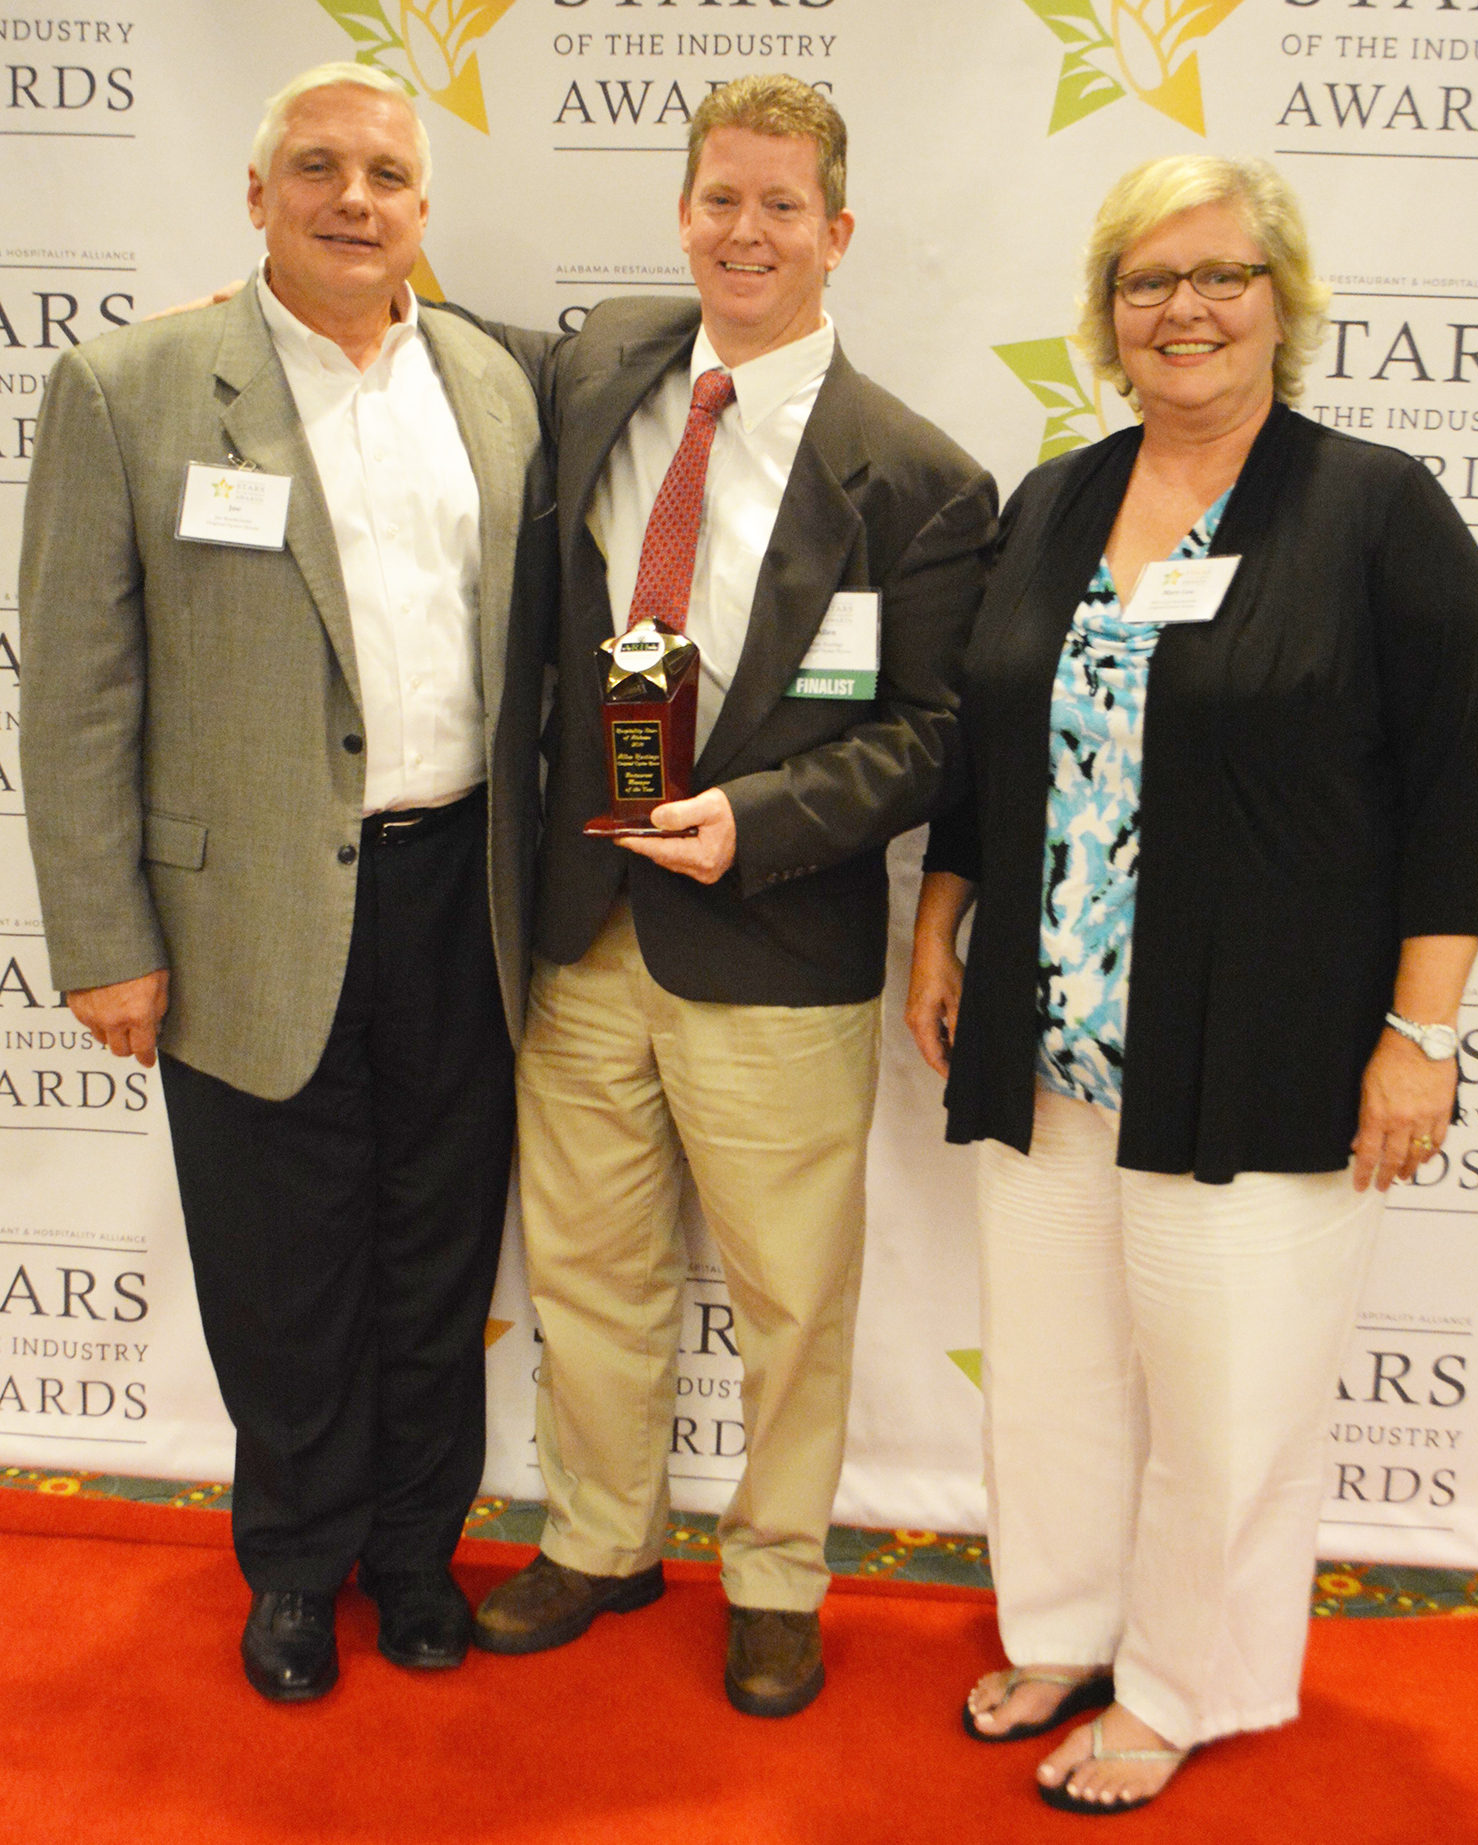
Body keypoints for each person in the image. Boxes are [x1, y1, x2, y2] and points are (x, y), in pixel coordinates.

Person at [905, 154, 1478, 1812]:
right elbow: (991, 737)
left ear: (1282, 300)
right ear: (1108, 316)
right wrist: (942, 911)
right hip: (1053, 1038)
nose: (1185, 310)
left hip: (1270, 1046)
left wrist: (1422, 1033)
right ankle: (1070, 1620)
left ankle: (1184, 1680)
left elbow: (1465, 784)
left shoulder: (1374, 509)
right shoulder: (1055, 502)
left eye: (1220, 276)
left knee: (1231, 1394)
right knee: (1058, 1366)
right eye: (1148, 282)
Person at [463, 75, 998, 1716]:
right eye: (719, 200)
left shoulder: (918, 477)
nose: (744, 232)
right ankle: (606, 1539)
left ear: (837, 233)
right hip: (581, 924)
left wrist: (756, 819)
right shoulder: (602, 366)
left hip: (772, 941)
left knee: (787, 1298)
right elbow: (432, 343)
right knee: (590, 1272)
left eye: (780, 207)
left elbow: (932, 734)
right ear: (681, 214)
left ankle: (774, 1574)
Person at [19, 62, 552, 1702]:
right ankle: (300, 1567)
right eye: (315, 170)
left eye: (385, 175)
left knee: (436, 1247)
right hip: (238, 911)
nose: (352, 200)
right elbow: (78, 687)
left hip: (460, 892)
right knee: (280, 1258)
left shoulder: (502, 378)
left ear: (421, 209)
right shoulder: (133, 385)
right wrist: (103, 934)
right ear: (257, 197)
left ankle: (414, 1550)